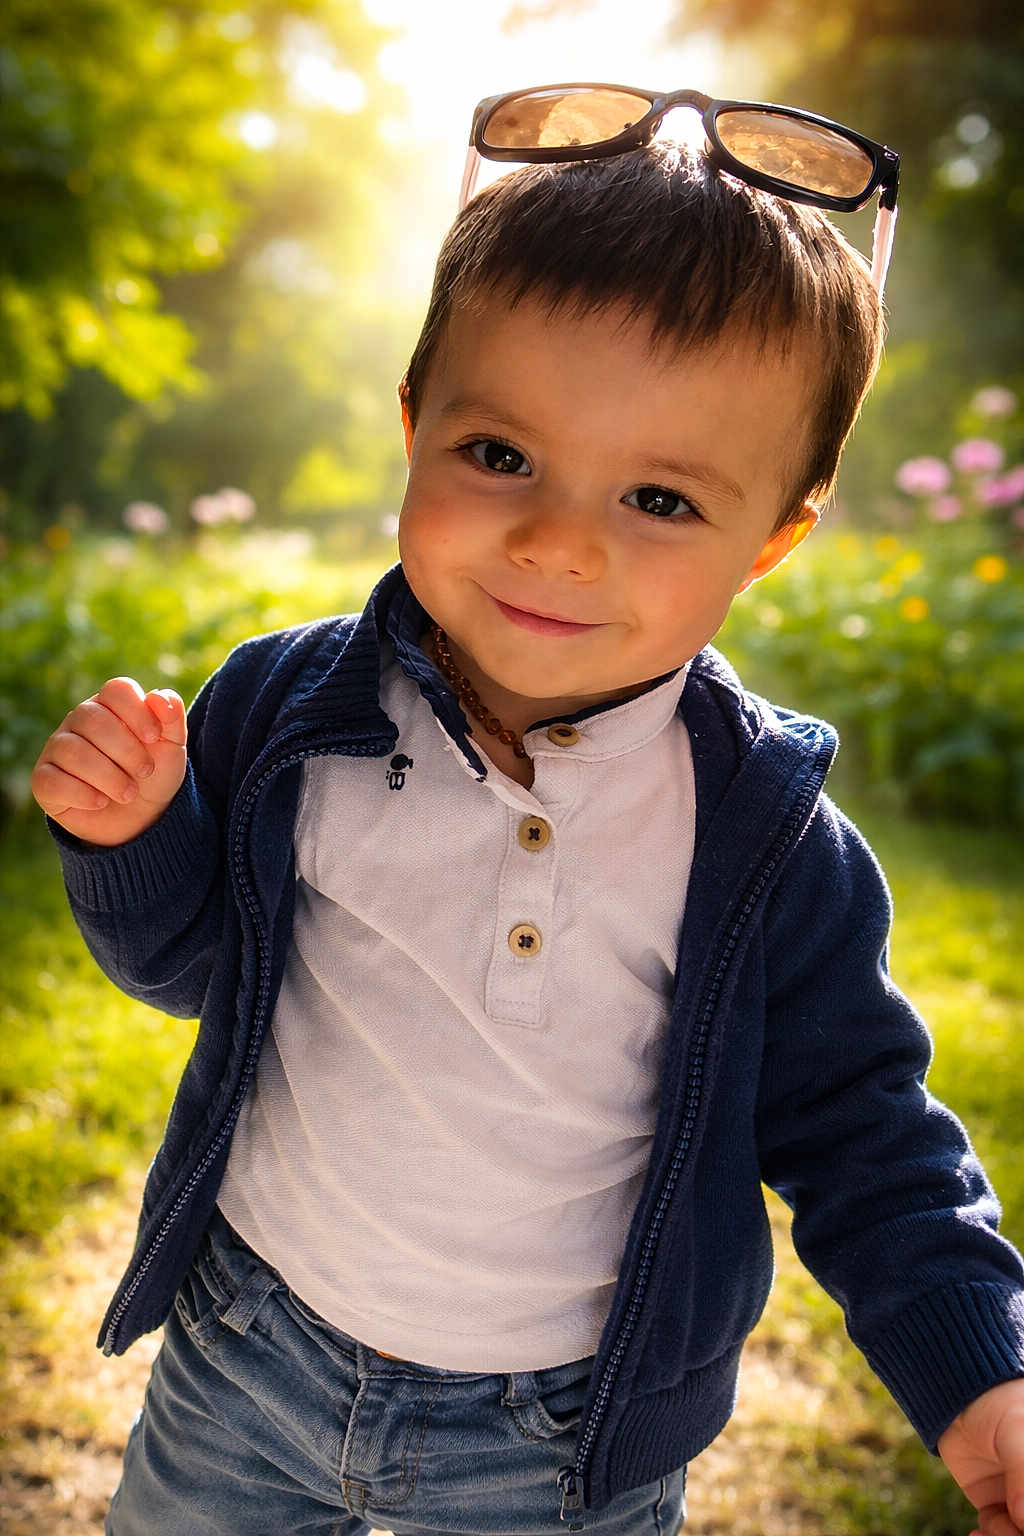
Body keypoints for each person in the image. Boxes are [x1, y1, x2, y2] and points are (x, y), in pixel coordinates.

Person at [31, 82, 1024, 1536]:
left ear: (775, 539)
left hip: (555, 1437)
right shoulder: (292, 712)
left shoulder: (759, 843)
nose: (557, 543)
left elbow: (863, 1127)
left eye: (663, 502)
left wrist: (976, 1372)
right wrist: (134, 845)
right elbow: (191, 970)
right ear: (416, 422)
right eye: (500, 456)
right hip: (251, 1341)